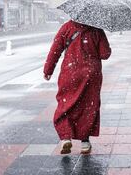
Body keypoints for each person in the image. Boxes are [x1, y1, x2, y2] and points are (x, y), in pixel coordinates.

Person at [43, 20, 111, 154]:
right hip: (91, 75)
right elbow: (105, 54)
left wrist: (48, 70)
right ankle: (85, 142)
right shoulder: (97, 29)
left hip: (70, 72)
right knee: (88, 107)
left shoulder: (67, 27)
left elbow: (55, 51)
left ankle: (65, 137)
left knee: (65, 105)